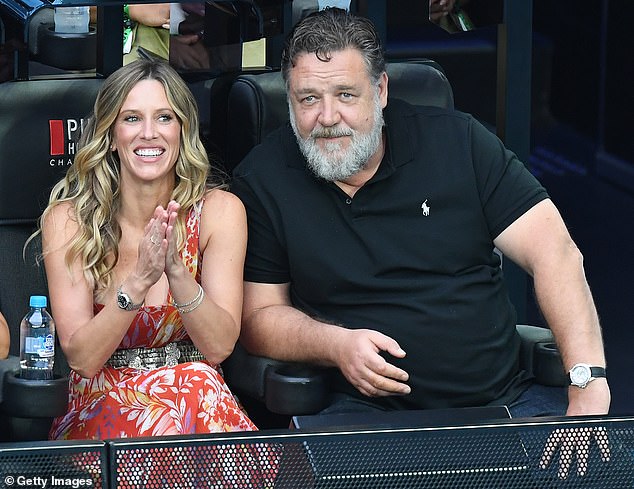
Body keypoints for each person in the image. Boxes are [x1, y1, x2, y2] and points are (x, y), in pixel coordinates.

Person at [231, 7, 611, 473]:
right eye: (308, 98)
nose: (327, 117)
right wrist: (335, 346)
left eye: (345, 94)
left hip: (504, 403)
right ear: (289, 100)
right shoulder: (264, 178)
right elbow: (258, 317)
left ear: (382, 90)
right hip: (359, 416)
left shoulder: (460, 143)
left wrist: (587, 383)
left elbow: (556, 254)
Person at [38, 58, 256, 441]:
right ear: (110, 134)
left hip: (197, 402)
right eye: (132, 119)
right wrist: (137, 283)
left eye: (165, 118)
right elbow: (83, 360)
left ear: (183, 130)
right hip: (103, 402)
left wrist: (176, 272)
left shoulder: (221, 212)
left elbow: (219, 347)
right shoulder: (69, 220)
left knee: (195, 387)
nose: (149, 134)